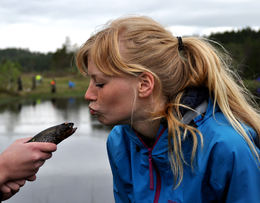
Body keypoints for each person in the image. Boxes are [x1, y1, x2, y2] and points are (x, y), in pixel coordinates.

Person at [76, 16, 260, 203]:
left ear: (144, 85)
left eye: (99, 83)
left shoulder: (227, 148)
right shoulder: (120, 142)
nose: (88, 94)